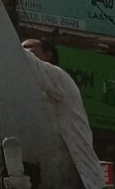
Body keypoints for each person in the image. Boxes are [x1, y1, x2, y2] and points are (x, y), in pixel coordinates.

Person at [22, 38, 105, 189]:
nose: (25, 52)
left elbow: (25, 61)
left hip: (83, 179)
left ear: (48, 56)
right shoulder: (33, 96)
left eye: (30, 49)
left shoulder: (59, 77)